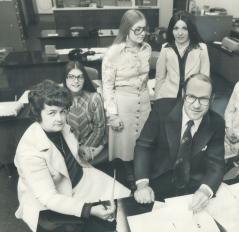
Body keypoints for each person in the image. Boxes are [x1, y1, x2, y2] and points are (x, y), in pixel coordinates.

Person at [14, 80, 130, 232]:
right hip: (49, 202)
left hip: (79, 182)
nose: (60, 119)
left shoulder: (60, 127)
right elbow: (49, 198)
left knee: (117, 214)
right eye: (52, 113)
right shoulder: (29, 153)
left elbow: (65, 147)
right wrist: (89, 210)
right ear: (37, 114)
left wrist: (80, 148)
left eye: (63, 111)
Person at [133, 74, 225, 212]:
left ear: (212, 99)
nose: (196, 105)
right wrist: (142, 184)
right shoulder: (161, 109)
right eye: (191, 96)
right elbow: (143, 147)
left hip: (193, 189)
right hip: (156, 183)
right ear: (183, 94)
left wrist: (205, 190)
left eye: (204, 99)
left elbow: (216, 163)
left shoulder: (217, 122)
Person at [101, 9, 152, 186]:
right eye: (137, 29)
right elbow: (107, 86)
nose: (142, 33)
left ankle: (142, 168)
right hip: (123, 103)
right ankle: (129, 169)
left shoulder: (147, 49)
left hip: (144, 101)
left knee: (144, 139)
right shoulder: (113, 53)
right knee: (127, 143)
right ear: (126, 29)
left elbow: (145, 77)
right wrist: (112, 114)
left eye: (144, 29)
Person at [154, 10, 210, 100]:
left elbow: (205, 81)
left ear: (191, 29)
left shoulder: (202, 49)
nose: (180, 33)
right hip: (167, 96)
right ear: (171, 30)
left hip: (192, 98)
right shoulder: (165, 48)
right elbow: (160, 77)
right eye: (176, 28)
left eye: (184, 28)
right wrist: (158, 99)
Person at [62, 61, 106, 163]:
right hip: (70, 146)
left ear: (84, 79)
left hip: (92, 144)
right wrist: (78, 148)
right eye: (71, 77)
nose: (76, 81)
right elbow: (62, 130)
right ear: (65, 79)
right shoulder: (61, 100)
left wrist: (86, 148)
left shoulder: (94, 98)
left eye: (80, 77)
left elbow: (99, 129)